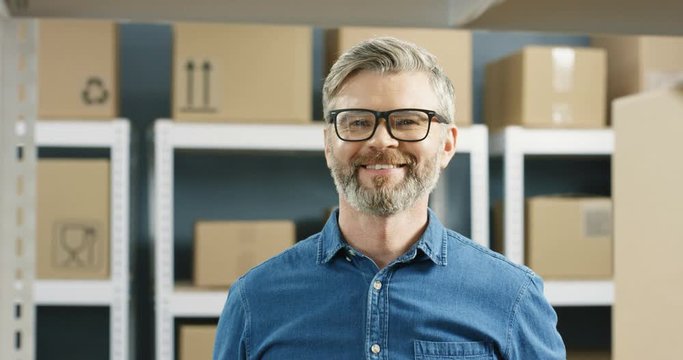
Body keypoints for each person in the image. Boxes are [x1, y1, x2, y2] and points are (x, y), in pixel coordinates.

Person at [213, 37, 566, 359]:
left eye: (409, 121)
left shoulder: (511, 297)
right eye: (356, 122)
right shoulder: (255, 300)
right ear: (327, 145)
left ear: (447, 144)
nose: (381, 141)